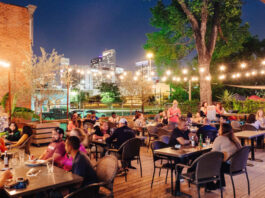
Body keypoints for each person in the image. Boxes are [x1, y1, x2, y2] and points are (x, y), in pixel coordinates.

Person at [212, 123, 241, 188]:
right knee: (220, 162)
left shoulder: (220, 138)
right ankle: (221, 183)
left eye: (219, 128)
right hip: (239, 166)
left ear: (222, 130)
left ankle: (210, 185)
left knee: (212, 163)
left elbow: (213, 154)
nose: (218, 129)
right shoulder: (235, 139)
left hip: (231, 168)